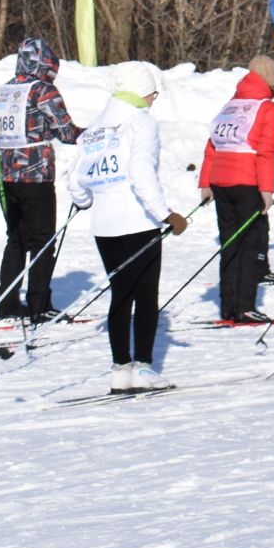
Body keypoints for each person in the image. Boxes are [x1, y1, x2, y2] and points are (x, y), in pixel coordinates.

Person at [68, 61, 187, 392]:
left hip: (104, 226)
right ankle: (145, 368)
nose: (153, 100)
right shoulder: (140, 123)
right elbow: (141, 173)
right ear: (140, 92)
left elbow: (76, 177)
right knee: (146, 295)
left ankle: (120, 369)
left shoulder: (93, 128)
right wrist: (165, 214)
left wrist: (84, 200)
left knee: (120, 294)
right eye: (151, 93)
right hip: (138, 222)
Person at [0, 37, 84, 321]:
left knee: (16, 239)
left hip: (4, 173)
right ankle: (39, 305)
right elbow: (66, 133)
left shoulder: (7, 89)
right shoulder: (43, 90)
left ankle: (7, 304)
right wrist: (93, 133)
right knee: (42, 241)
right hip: (35, 175)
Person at [198, 54, 274, 324]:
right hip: (247, 181)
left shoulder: (231, 105)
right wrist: (267, 189)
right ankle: (246, 307)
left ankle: (228, 307)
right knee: (250, 245)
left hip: (220, 182)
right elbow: (266, 152)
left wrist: (205, 183)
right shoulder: (267, 109)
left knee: (230, 243)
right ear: (270, 81)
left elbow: (211, 146)